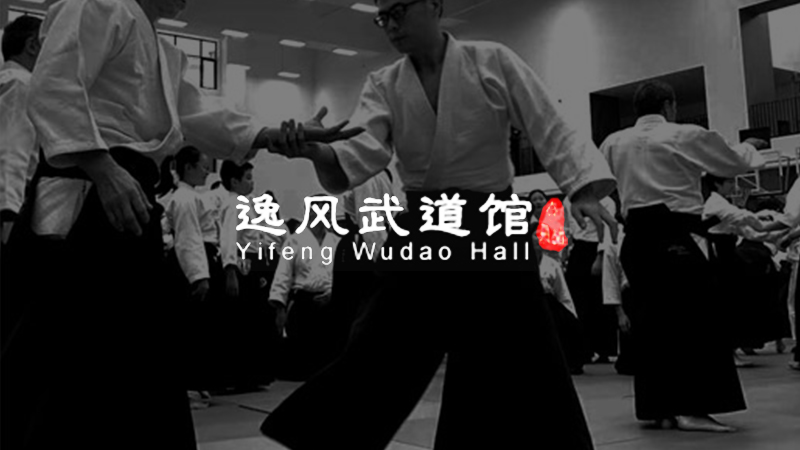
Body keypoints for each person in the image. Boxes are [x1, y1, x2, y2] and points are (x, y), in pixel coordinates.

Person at [260, 1, 618, 449]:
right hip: (425, 222)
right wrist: (317, 151)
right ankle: (321, 439)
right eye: (382, 17)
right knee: (381, 341)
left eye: (398, 11)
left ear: (434, 5)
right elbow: (361, 151)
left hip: (491, 222)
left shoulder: (493, 60)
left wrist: (581, 188)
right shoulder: (385, 83)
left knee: (526, 349)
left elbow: (548, 122)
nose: (390, 26)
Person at [8, 0, 361, 448]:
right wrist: (101, 166)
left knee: (136, 355)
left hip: (128, 193)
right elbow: (53, 85)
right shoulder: (98, 4)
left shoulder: (160, 48)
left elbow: (196, 116)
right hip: (89, 189)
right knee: (71, 349)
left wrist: (272, 136)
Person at [601, 79, 768, 432]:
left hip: (636, 240)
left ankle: (658, 408)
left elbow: (600, 181)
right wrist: (749, 147)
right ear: (669, 106)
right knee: (696, 320)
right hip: (673, 236)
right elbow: (732, 162)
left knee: (652, 325)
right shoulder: (682, 134)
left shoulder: (613, 142)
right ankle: (693, 408)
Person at [218, 160, 281, 390]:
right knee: (244, 321)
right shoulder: (233, 204)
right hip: (243, 263)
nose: (252, 182)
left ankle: (255, 374)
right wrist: (230, 269)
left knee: (256, 319)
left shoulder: (249, 203)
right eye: (247, 178)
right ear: (234, 181)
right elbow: (229, 238)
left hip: (256, 261)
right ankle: (240, 376)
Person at [268, 201, 341, 380]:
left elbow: (342, 275)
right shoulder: (295, 240)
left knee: (326, 360)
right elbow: (283, 274)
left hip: (330, 299)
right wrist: (279, 307)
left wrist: (334, 292)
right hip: (304, 302)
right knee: (301, 365)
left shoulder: (336, 241)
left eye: (328, 212)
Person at [0, 16, 42, 247]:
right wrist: (9, 213)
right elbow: (11, 149)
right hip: (11, 205)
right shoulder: (21, 83)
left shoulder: (7, 80)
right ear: (33, 45)